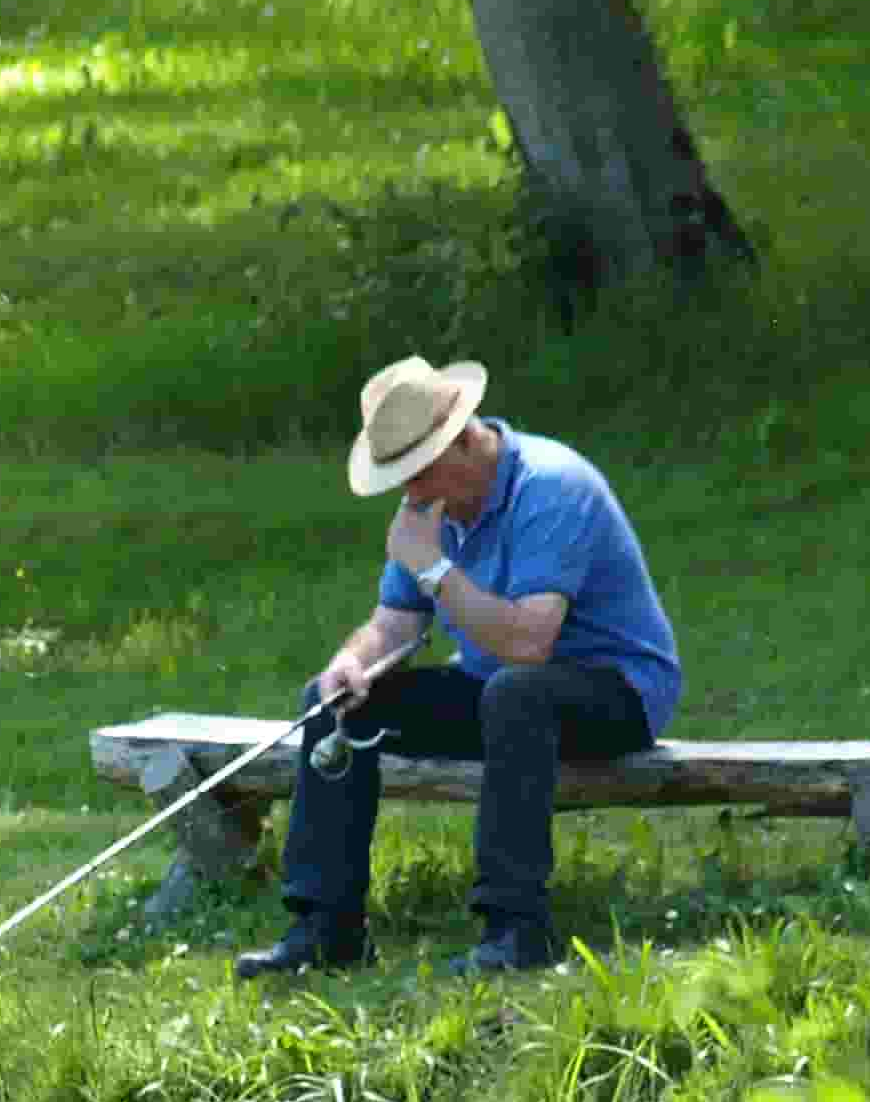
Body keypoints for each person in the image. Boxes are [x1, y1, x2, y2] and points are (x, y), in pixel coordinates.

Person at [236, 354, 681, 980]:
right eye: (399, 479)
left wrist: (435, 568)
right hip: (501, 688)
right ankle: (325, 928)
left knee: (517, 693)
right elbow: (394, 623)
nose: (408, 495)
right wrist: (350, 662)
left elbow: (530, 643)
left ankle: (516, 929)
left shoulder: (551, 488)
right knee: (337, 701)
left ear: (465, 442)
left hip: (616, 691)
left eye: (417, 475)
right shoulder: (431, 511)